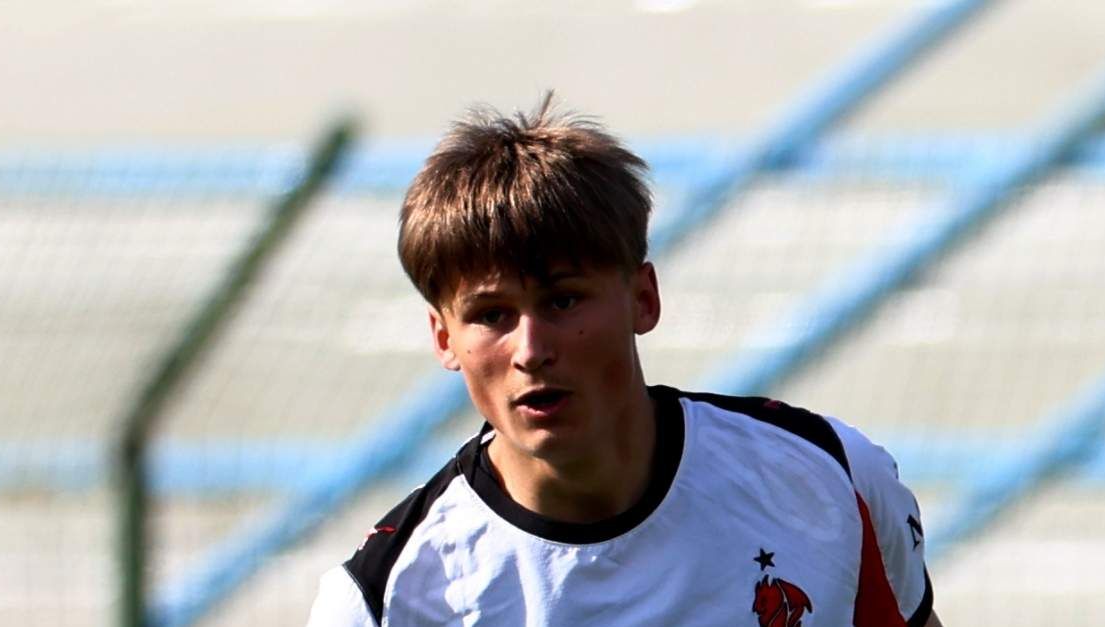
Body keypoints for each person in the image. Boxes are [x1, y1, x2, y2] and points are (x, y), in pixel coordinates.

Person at [307, 93, 942, 627]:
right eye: (491, 315)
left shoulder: (829, 477)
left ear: (643, 298)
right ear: (444, 338)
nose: (531, 351)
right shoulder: (386, 601)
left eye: (563, 300)